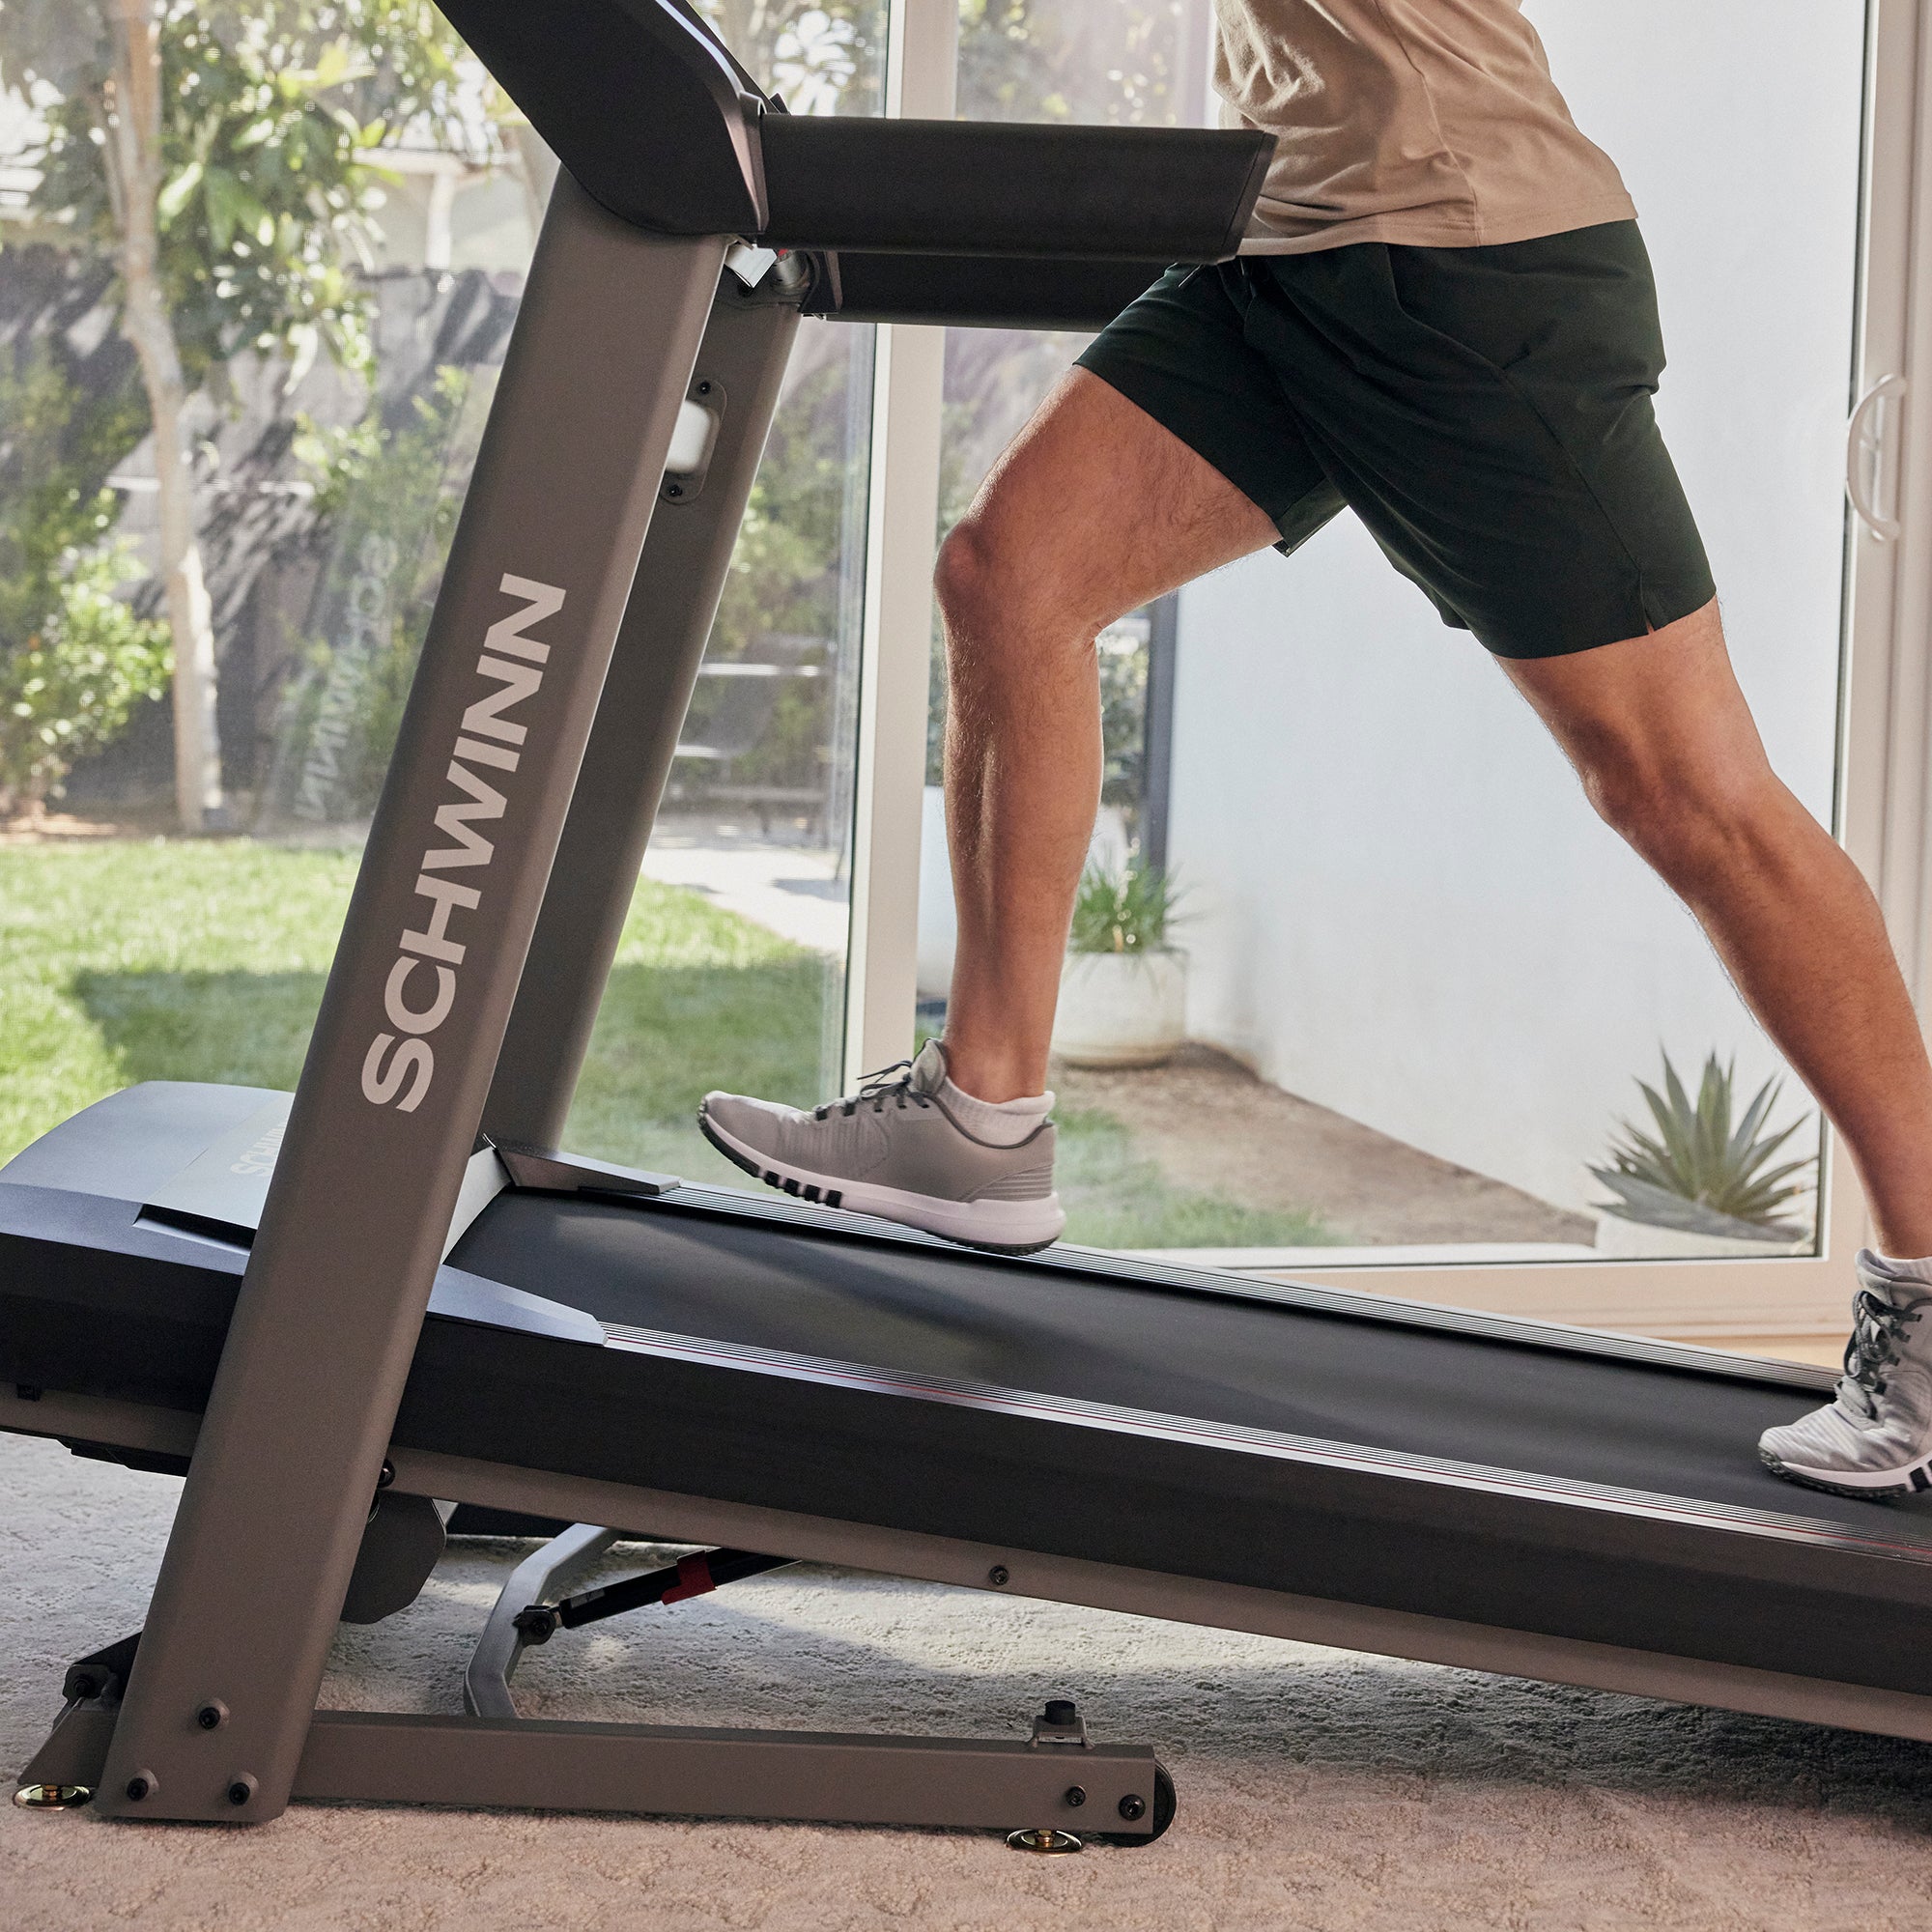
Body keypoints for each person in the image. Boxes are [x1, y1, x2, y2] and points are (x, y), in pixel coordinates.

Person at [700, 0, 1932, 1500]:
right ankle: (986, 1113)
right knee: (1008, 577)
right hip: (1282, 248)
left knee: (1684, 794)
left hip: (1468, 268)